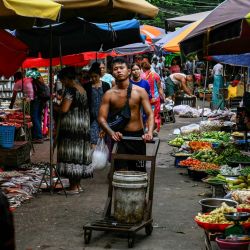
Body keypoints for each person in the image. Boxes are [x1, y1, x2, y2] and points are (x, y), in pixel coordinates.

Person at [98, 57, 154, 172]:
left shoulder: (140, 91)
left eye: (122, 68)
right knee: (120, 173)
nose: (119, 71)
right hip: (120, 138)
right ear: (112, 73)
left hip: (138, 137)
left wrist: (149, 132)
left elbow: (150, 114)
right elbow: (101, 118)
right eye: (115, 69)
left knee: (139, 173)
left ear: (128, 71)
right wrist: (111, 132)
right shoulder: (109, 94)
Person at [54, 66, 92, 194]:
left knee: (71, 154)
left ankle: (73, 187)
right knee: (78, 154)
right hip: (82, 125)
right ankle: (77, 185)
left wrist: (54, 106)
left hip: (72, 126)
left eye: (62, 80)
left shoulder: (70, 90)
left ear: (66, 78)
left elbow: (64, 109)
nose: (62, 83)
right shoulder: (82, 89)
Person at [85, 62, 110, 148]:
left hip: (104, 116)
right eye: (92, 77)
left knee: (104, 138)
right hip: (92, 117)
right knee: (93, 138)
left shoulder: (106, 86)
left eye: (95, 76)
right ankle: (94, 159)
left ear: (100, 75)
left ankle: (103, 159)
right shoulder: (87, 86)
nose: (94, 78)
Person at [141, 61, 164, 133]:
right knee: (155, 114)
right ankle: (154, 130)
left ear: (142, 68)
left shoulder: (141, 76)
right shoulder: (156, 75)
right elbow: (160, 88)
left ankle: (147, 129)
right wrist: (162, 97)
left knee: (146, 114)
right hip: (156, 98)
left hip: (145, 98)